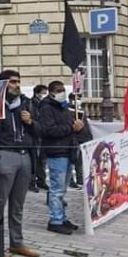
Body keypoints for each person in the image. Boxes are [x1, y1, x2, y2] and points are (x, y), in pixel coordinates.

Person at [0, 70, 40, 257]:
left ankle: (17, 242)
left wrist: (30, 122)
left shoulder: (27, 104)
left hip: (25, 156)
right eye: (13, 82)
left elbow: (41, 130)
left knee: (18, 205)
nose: (17, 85)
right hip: (5, 155)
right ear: (3, 85)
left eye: (18, 81)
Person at [36, 81, 84, 235]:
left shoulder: (64, 107)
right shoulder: (46, 108)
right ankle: (55, 220)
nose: (61, 92)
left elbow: (69, 127)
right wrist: (70, 128)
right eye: (58, 90)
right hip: (56, 152)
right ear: (51, 92)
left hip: (67, 150)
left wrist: (77, 127)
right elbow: (49, 130)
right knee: (56, 189)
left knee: (62, 189)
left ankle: (62, 217)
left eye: (63, 89)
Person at [30, 84, 50, 191]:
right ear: (37, 93)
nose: (45, 95)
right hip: (35, 135)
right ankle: (32, 182)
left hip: (43, 135)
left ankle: (41, 181)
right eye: (43, 93)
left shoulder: (45, 104)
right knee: (34, 160)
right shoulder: (32, 104)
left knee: (42, 160)